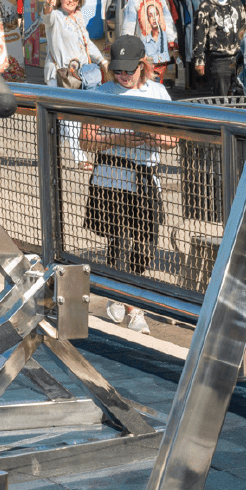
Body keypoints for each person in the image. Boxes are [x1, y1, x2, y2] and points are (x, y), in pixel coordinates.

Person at [77, 35, 175, 333]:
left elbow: (173, 139)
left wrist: (149, 135)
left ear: (142, 65)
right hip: (112, 177)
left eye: (129, 70)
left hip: (146, 177)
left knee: (145, 245)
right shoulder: (101, 93)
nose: (123, 76)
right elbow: (86, 140)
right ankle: (133, 306)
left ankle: (117, 289)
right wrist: (119, 139)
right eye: (118, 70)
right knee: (118, 240)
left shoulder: (158, 93)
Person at [190, 0, 246, 98]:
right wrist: (199, 60)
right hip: (219, 60)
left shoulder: (237, 3)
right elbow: (199, 35)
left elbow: (245, 28)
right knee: (220, 99)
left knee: (242, 97)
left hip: (239, 58)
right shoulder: (206, 6)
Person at [116, 0, 175, 85]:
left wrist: (172, 40)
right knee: (145, 84)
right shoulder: (134, 1)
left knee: (158, 84)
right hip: (144, 54)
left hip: (161, 53)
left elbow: (168, 21)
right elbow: (129, 26)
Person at [45, 0, 106, 89]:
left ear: (79, 1)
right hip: (60, 76)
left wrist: (102, 60)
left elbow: (87, 44)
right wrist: (48, 5)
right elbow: (46, 16)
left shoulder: (78, 18)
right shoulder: (55, 16)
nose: (71, 0)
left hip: (81, 75)